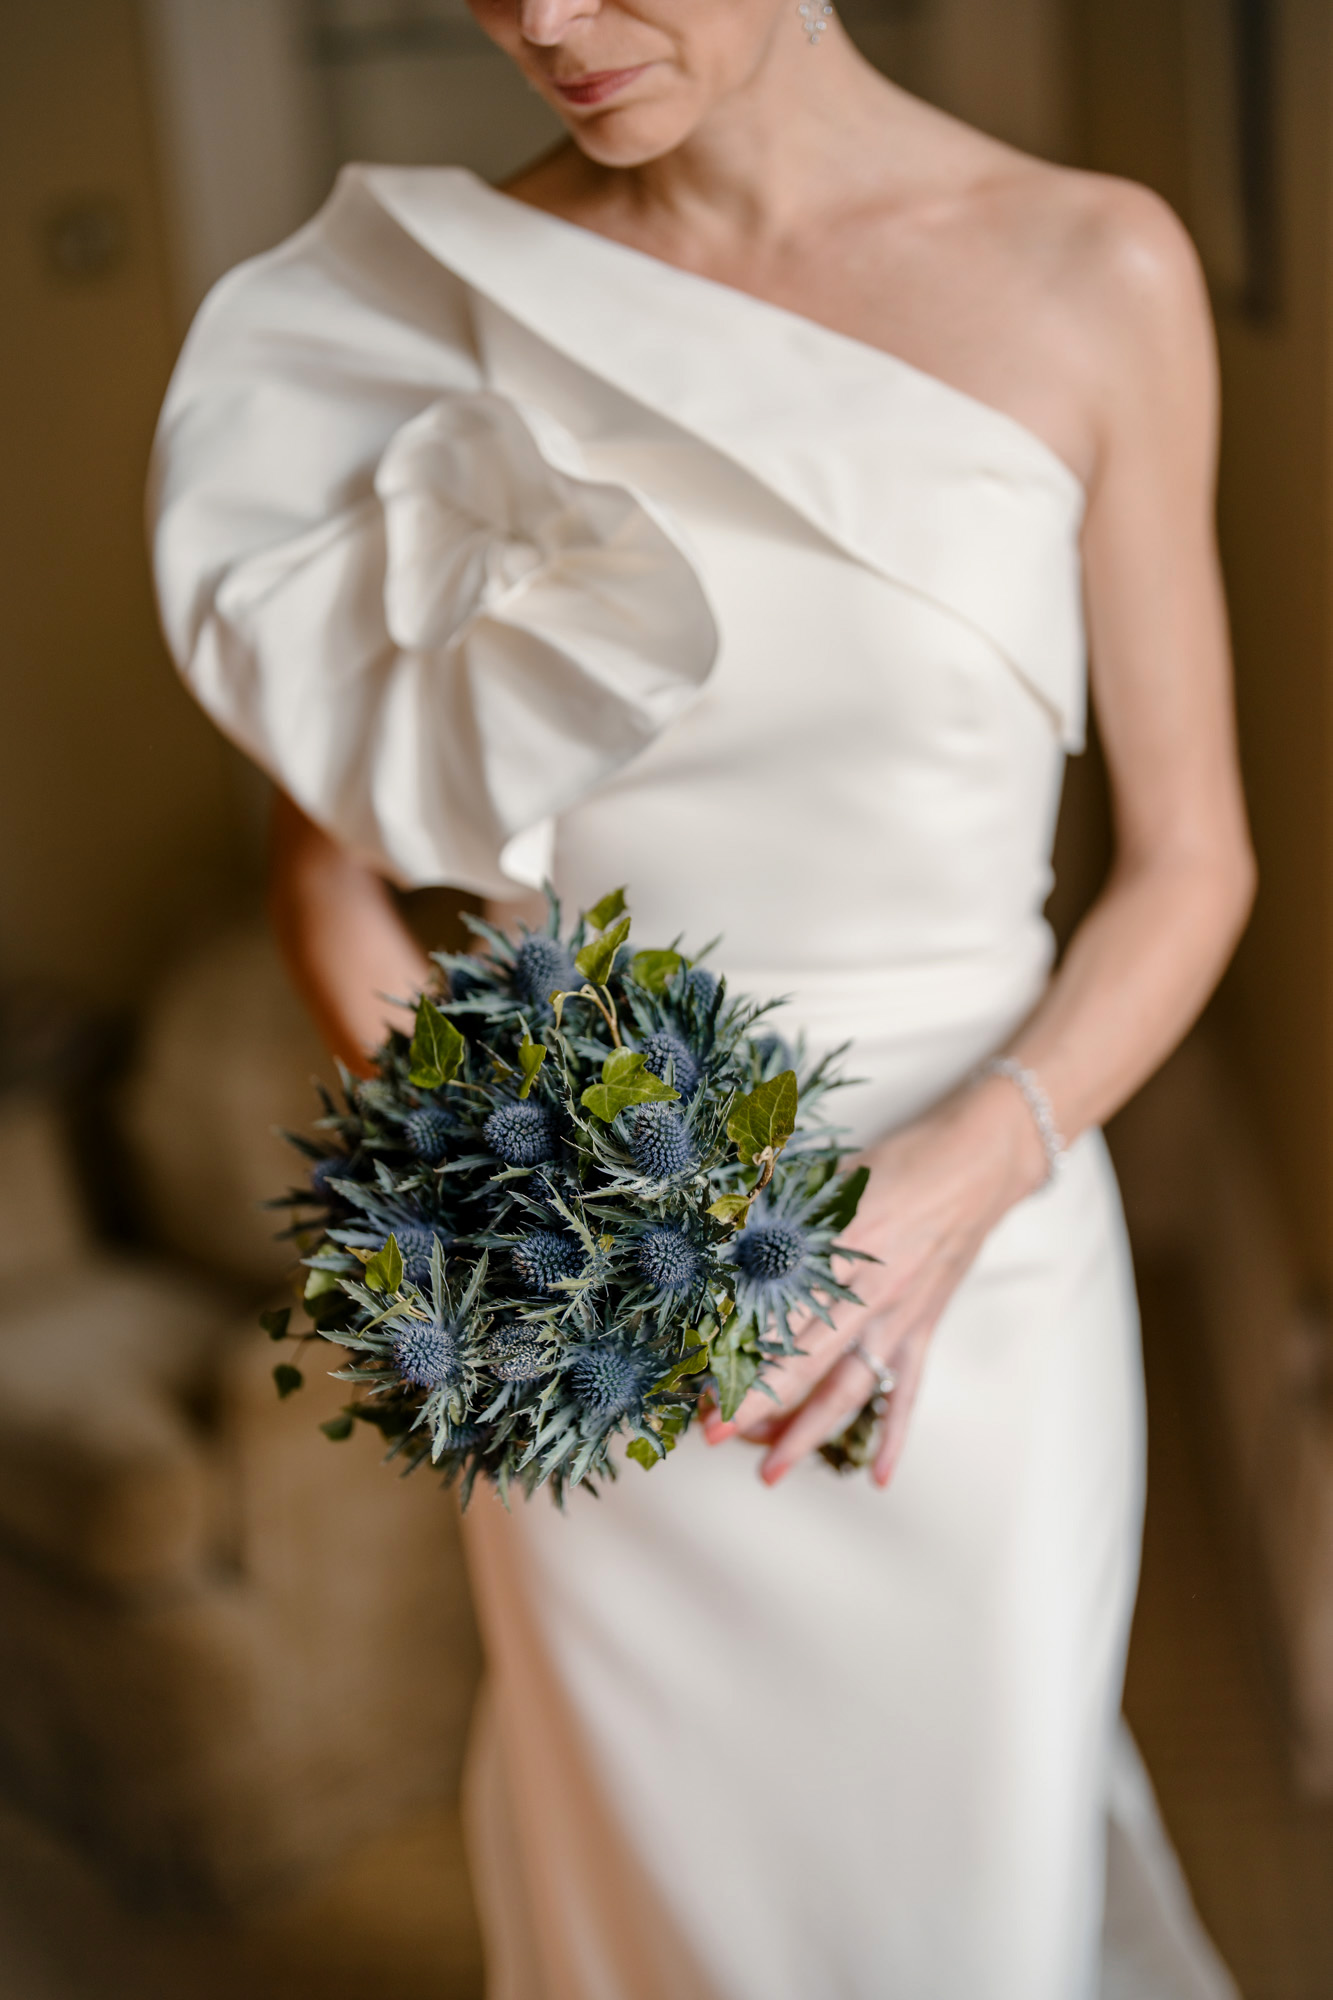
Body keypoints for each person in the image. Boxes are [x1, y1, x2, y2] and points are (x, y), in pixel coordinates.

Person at [150, 4, 1256, 1994]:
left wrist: (947, 1186)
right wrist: (538, 1226)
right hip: (612, 1353)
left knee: (968, 1921)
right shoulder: (438, 304)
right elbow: (329, 883)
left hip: (977, 1298)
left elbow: (1194, 862)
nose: (543, 24)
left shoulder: (1096, 268)